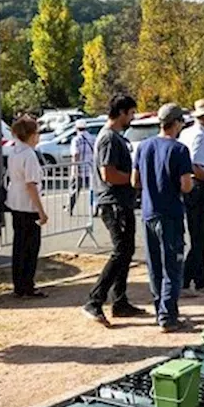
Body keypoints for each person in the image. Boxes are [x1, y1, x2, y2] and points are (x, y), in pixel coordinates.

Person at [82, 94, 145, 326]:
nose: (132, 118)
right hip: (113, 202)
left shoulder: (116, 137)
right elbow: (108, 173)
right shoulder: (109, 138)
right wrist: (134, 180)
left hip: (121, 202)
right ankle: (94, 300)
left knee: (126, 250)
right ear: (121, 113)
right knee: (121, 251)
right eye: (131, 113)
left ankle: (120, 301)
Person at [134, 103, 194, 332]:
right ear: (176, 123)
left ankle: (159, 308)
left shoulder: (144, 146)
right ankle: (168, 315)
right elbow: (186, 185)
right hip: (170, 213)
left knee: (154, 264)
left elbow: (134, 181)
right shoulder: (179, 149)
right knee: (173, 264)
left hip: (149, 212)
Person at [178, 98, 204, 295]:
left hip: (192, 185)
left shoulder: (188, 132)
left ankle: (200, 280)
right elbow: (195, 166)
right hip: (197, 186)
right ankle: (185, 280)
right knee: (198, 237)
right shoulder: (199, 136)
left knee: (198, 235)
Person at [6, 115, 49, 298]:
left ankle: (19, 285)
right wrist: (41, 211)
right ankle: (27, 285)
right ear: (31, 135)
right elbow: (31, 185)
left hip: (15, 202)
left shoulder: (14, 152)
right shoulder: (29, 154)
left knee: (19, 246)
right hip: (28, 205)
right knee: (30, 247)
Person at [68, 119, 96, 215]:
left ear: (76, 128)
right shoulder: (92, 138)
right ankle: (94, 209)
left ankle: (70, 208)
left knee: (75, 190)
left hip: (80, 168)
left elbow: (75, 154)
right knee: (92, 190)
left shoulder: (76, 140)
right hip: (91, 168)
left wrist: (75, 169)